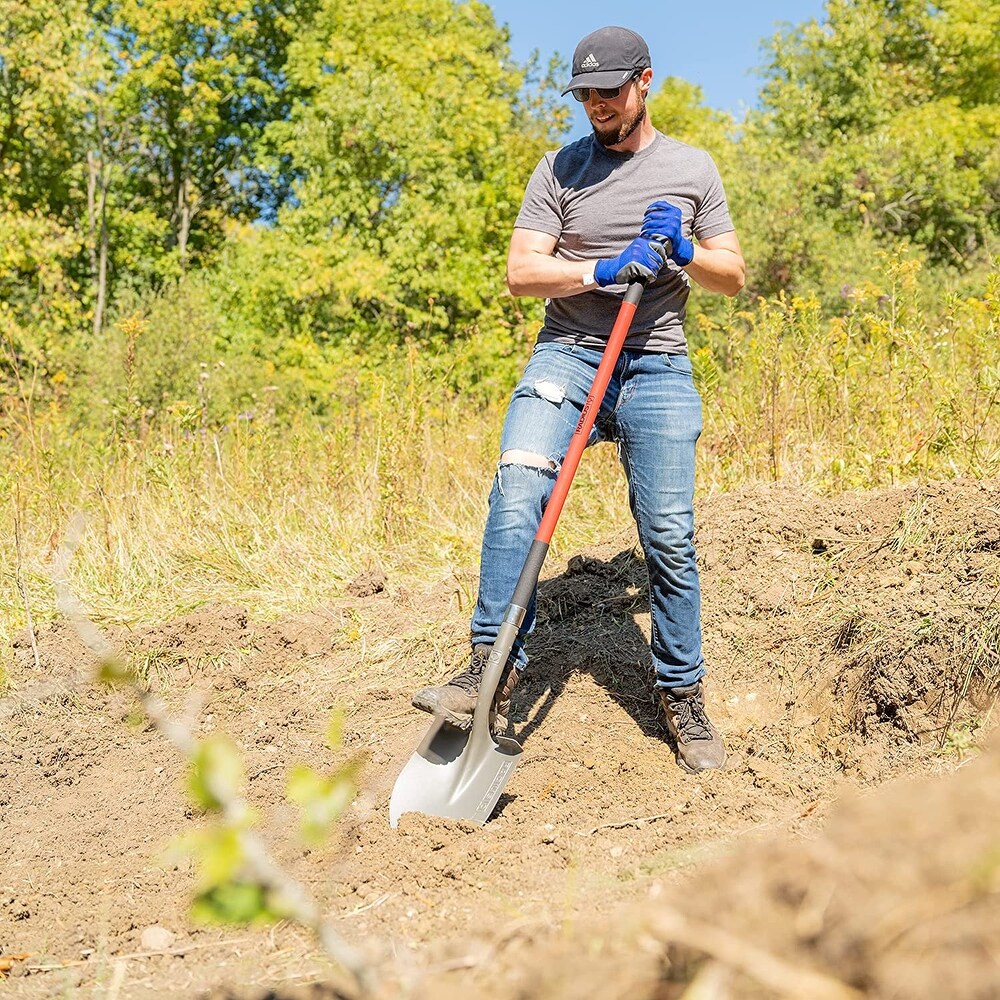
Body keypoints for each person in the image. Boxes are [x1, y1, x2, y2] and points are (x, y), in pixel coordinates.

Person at [412, 25, 745, 773]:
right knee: (519, 481)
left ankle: (682, 694)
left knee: (666, 531)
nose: (596, 104)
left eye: (610, 90)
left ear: (646, 82)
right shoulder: (559, 169)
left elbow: (733, 275)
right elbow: (523, 273)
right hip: (569, 354)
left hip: (657, 363)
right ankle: (488, 672)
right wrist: (602, 268)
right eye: (585, 94)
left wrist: (687, 252)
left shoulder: (692, 169)